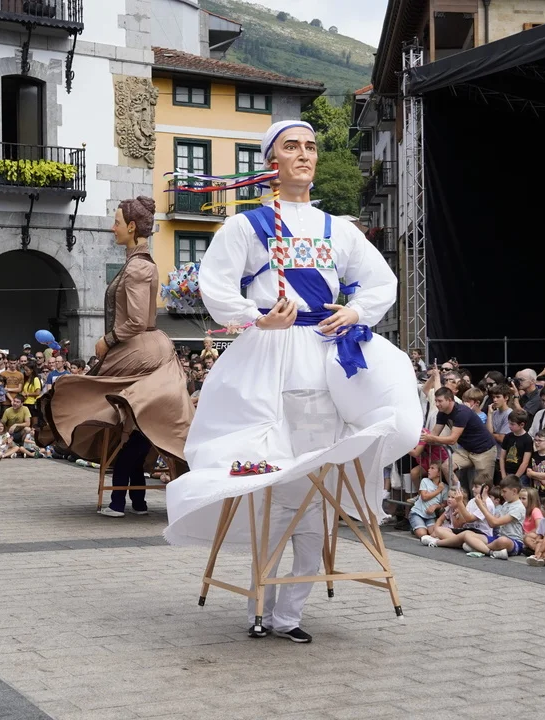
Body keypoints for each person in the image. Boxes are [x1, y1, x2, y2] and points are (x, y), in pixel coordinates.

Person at [164, 120, 421, 644]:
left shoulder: (337, 228)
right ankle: (262, 604)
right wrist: (255, 318)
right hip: (270, 358)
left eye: (310, 146)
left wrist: (355, 311)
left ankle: (287, 613)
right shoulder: (246, 226)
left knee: (315, 491)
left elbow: (381, 282)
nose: (304, 154)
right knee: (279, 489)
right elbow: (216, 287)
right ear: (271, 161)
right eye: (292, 147)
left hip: (325, 356)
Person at [46, 196, 194, 518]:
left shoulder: (138, 267)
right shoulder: (138, 264)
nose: (113, 228)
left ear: (131, 226)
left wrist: (108, 339)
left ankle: (122, 501)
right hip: (141, 349)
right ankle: (135, 502)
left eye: (116, 223)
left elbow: (137, 320)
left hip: (140, 351)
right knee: (132, 426)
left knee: (116, 415)